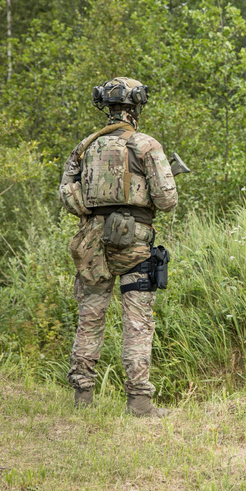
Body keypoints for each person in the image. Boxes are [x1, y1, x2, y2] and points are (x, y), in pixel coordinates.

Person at [58, 77, 177, 417]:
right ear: (137, 107)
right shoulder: (145, 144)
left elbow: (66, 192)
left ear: (106, 107)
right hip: (134, 240)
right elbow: (167, 200)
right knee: (137, 320)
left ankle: (82, 397)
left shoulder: (85, 146)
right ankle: (139, 402)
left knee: (90, 316)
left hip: (91, 239)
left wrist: (93, 213)